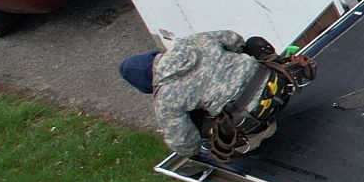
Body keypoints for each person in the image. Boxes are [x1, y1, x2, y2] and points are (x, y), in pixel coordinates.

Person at [120, 33, 315, 160]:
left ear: (147, 85)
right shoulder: (192, 42)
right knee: (253, 43)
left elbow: (185, 144)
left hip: (257, 118)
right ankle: (289, 67)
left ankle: (253, 141)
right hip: (277, 83)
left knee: (194, 125)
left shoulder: (165, 98)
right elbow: (235, 40)